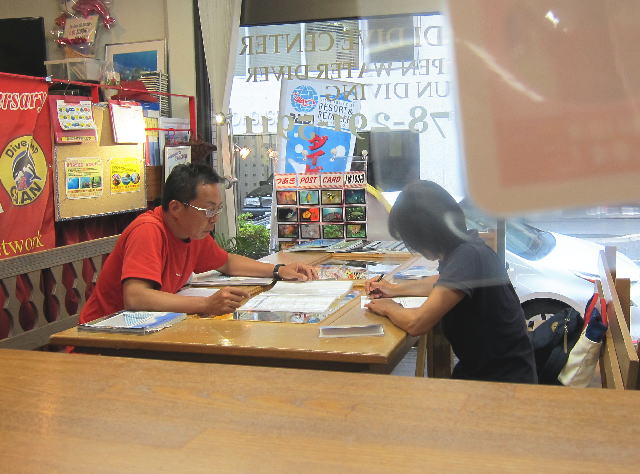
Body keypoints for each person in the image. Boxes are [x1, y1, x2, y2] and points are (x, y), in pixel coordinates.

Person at [80, 163, 317, 323]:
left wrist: (278, 270)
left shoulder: (192, 231)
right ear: (175, 208)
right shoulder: (148, 231)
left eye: (218, 209)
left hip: (154, 326)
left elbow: (227, 262)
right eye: (208, 210)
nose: (214, 218)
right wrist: (206, 304)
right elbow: (136, 297)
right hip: (104, 335)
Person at [365, 181, 537, 384]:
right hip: (490, 369)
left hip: (502, 381)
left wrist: (388, 307)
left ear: (424, 235)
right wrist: (393, 289)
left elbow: (416, 323)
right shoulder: (465, 247)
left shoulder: (467, 256)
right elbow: (443, 283)